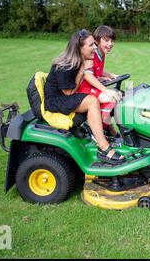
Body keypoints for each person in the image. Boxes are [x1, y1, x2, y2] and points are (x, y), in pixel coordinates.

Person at [44, 29, 125, 164]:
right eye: (91, 45)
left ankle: (106, 131)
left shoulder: (81, 58)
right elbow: (69, 93)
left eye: (94, 44)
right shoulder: (65, 65)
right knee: (92, 101)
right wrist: (82, 70)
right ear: (79, 48)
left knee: (97, 98)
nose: (95, 47)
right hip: (56, 100)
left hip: (67, 95)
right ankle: (103, 148)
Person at [77, 25, 121, 137]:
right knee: (112, 98)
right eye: (106, 40)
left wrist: (110, 75)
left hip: (91, 87)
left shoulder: (102, 53)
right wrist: (106, 90)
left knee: (118, 96)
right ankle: (100, 129)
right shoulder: (93, 54)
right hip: (83, 89)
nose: (110, 44)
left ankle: (108, 127)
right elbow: (88, 75)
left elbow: (98, 70)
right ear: (97, 41)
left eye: (111, 41)